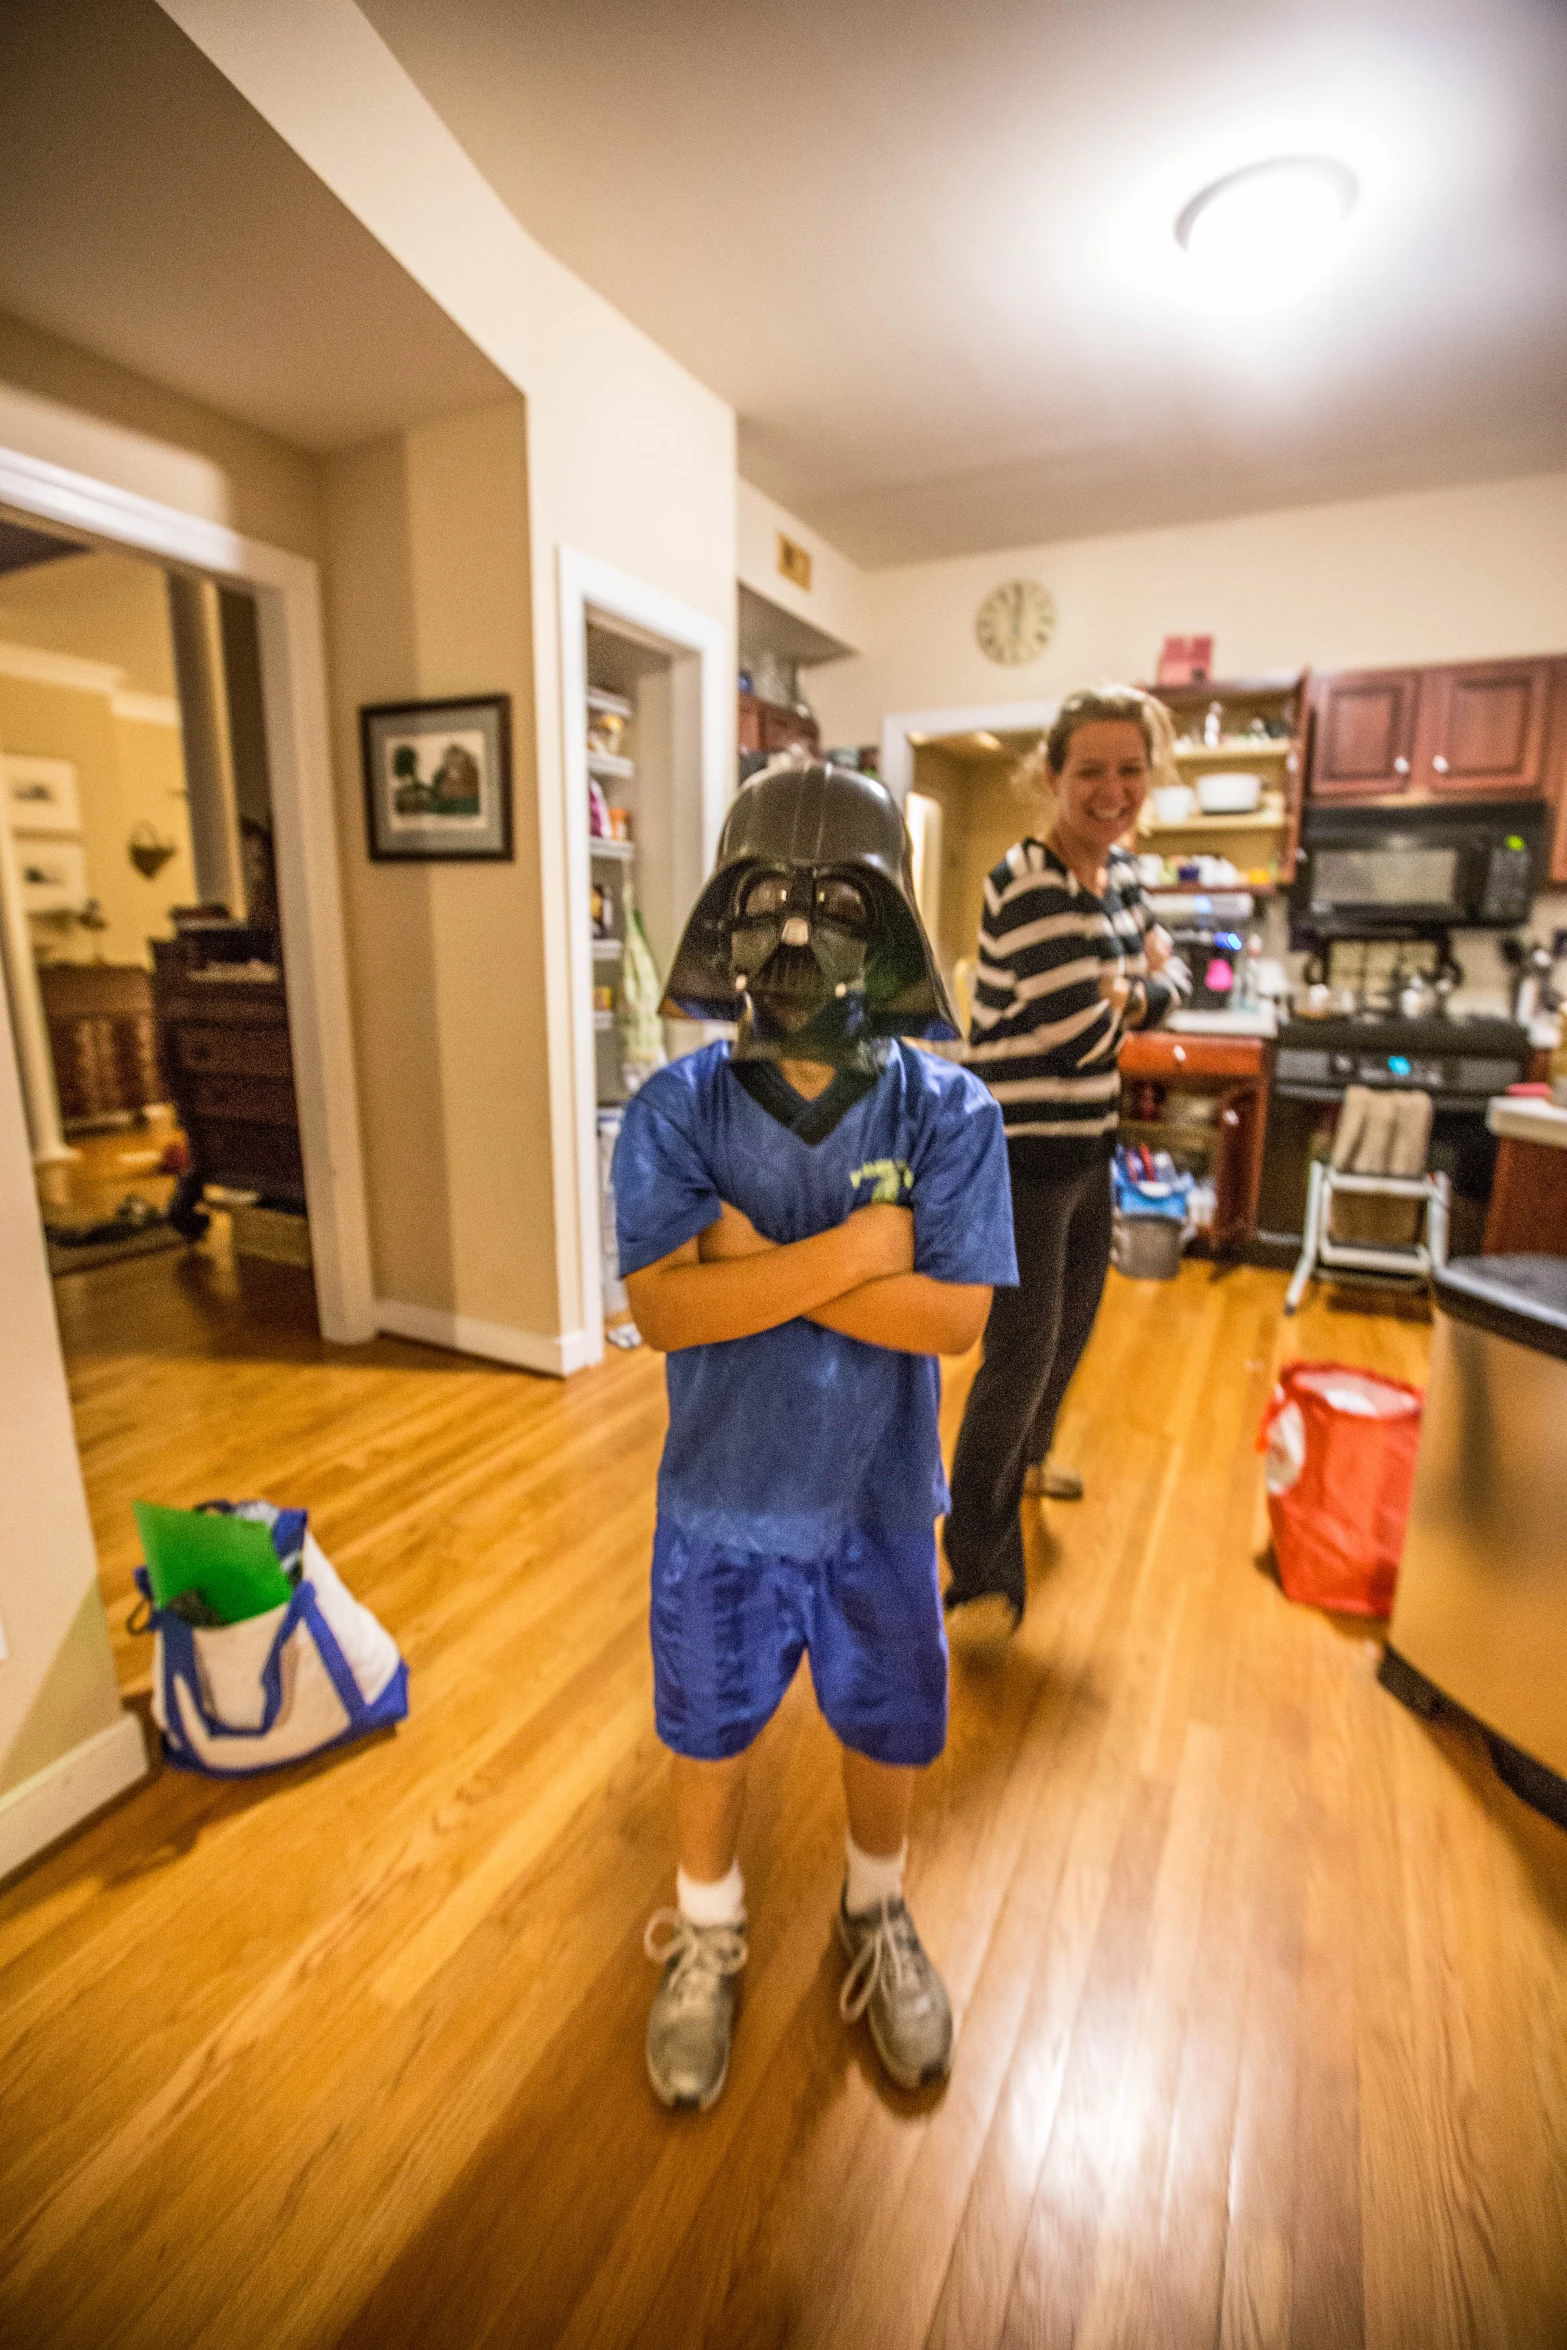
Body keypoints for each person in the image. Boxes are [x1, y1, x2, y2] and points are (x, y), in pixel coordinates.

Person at [612, 758, 1017, 2112]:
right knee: (707, 1729)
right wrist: (856, 1248)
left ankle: (876, 1906)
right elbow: (666, 1312)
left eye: (832, 903)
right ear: (722, 918)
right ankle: (707, 1925)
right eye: (764, 904)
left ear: (887, 926)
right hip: (719, 1499)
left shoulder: (947, 1110)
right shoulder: (675, 1110)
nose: (793, 937)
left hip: (880, 1503)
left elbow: (951, 1318)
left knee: (888, 1719)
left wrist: (752, 1254)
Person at [944, 685, 1191, 1638]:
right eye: (1089, 769)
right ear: (1051, 775)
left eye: (1130, 769)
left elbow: (1160, 980)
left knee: (1072, 1329)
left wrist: (1130, 988)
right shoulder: (1028, 877)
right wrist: (1133, 990)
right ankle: (974, 1561)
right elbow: (1082, 1034)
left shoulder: (1121, 876)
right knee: (1018, 1352)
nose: (1111, 788)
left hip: (1088, 1139)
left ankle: (1031, 1467)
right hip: (1019, 1151)